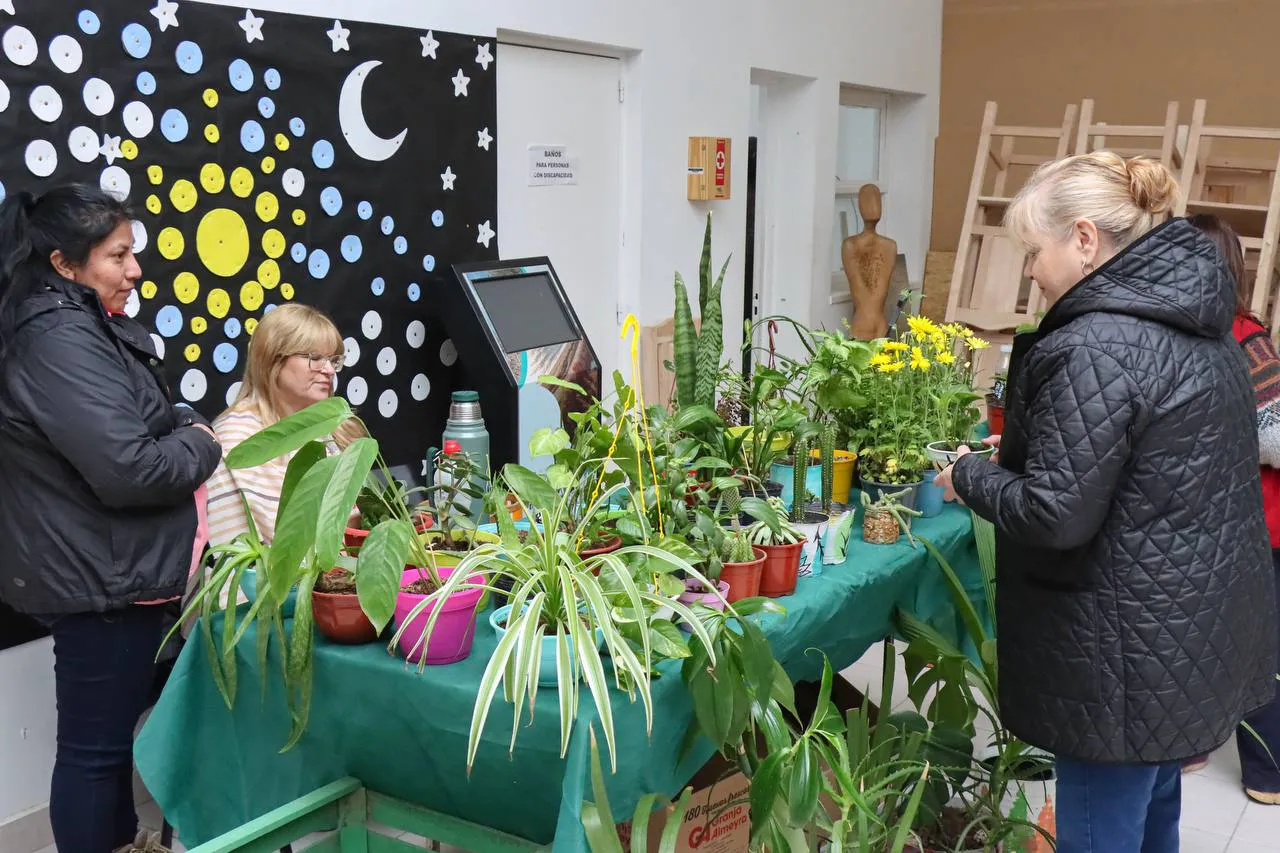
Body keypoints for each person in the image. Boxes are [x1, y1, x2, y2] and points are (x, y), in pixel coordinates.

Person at [933, 153, 1276, 853]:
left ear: (1084, 239)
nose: (1030, 270)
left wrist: (969, 477)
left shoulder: (1093, 343)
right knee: (1154, 815)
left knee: (1102, 824)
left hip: (1114, 650)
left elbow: (1056, 514)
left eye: (1034, 250)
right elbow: (1148, 471)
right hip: (1181, 634)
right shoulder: (1204, 324)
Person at [0, 184, 221, 853]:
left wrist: (177, 427)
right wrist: (203, 440)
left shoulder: (77, 326)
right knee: (95, 755)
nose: (135, 270)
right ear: (65, 264)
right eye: (118, 255)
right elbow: (132, 467)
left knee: (106, 747)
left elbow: (141, 430)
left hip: (116, 573)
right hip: (103, 580)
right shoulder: (58, 339)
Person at [1179, 213, 1280, 802]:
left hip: (1191, 521)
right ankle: (1268, 775)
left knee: (1194, 636)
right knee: (1263, 647)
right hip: (1253, 525)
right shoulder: (1245, 338)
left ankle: (1185, 749)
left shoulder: (1166, 336)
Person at [205, 303, 362, 547]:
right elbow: (235, 561)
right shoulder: (236, 437)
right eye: (315, 358)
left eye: (333, 360)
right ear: (272, 360)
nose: (329, 370)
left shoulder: (326, 431)